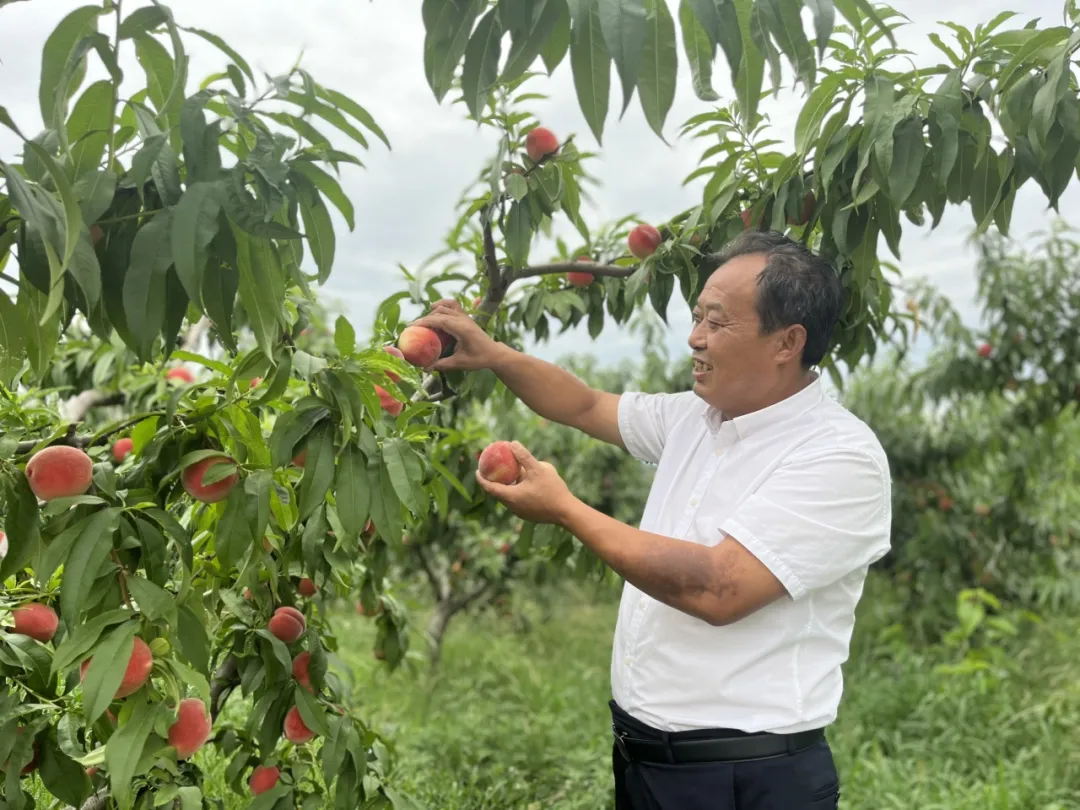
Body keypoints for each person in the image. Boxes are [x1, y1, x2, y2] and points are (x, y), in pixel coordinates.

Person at [409, 230, 892, 810]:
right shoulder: (696, 417)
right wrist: (493, 353)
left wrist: (564, 508)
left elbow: (720, 587)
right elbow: (585, 404)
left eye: (717, 322)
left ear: (787, 342)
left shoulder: (837, 454)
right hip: (644, 760)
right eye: (696, 318)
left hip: (748, 778)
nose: (695, 338)